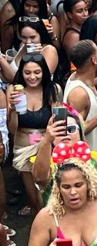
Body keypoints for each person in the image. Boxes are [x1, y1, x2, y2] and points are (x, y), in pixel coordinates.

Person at [7, 52, 62, 216]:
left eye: (37, 72)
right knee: (33, 198)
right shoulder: (15, 91)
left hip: (46, 146)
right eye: (27, 72)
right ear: (21, 73)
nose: (32, 77)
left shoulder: (53, 89)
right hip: (23, 146)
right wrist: (12, 109)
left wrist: (57, 149)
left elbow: (59, 122)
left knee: (48, 195)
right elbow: (11, 130)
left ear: (44, 72)